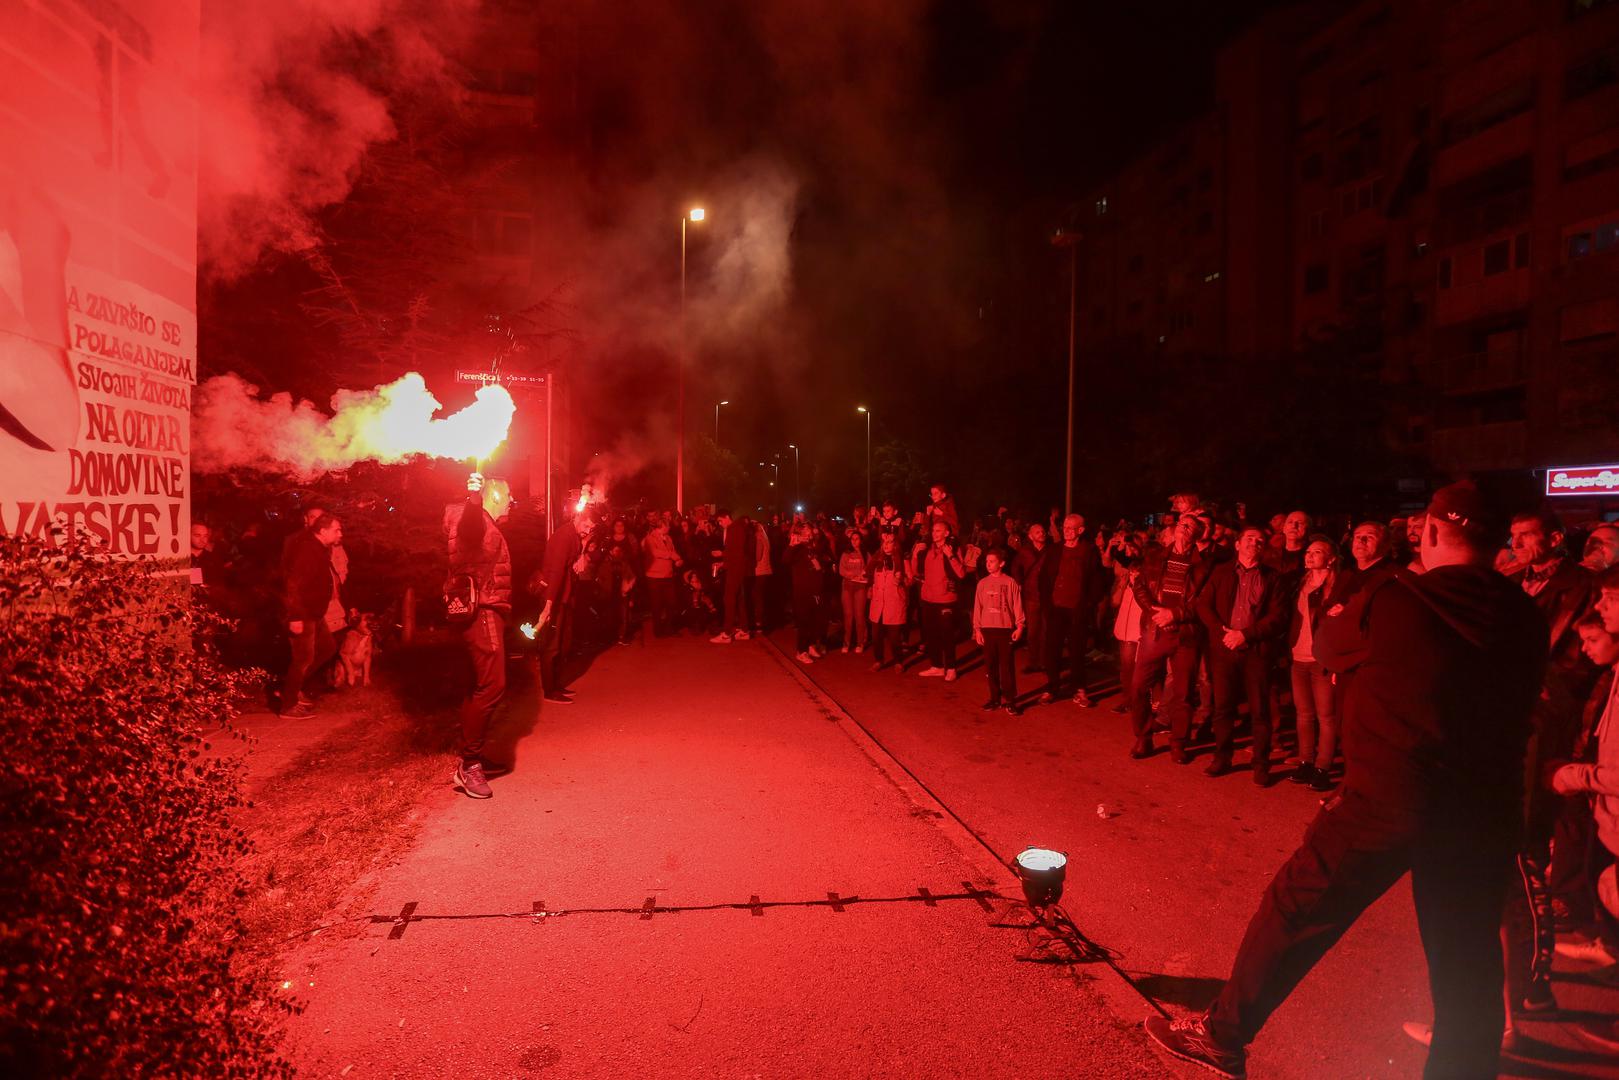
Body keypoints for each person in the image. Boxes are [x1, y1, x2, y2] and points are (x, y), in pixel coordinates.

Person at [1146, 482, 1547, 1080]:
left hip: (1388, 796)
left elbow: (1331, 646)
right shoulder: (1525, 617)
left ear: (1431, 532)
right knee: (1467, 964)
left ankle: (1222, 1034)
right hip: (1480, 811)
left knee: (1295, 907)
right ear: (1498, 543)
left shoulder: (1399, 598)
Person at [1502, 509, 1597, 1014]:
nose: (1515, 544)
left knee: (1526, 845)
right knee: (1511, 843)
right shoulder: (1513, 578)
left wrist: (1542, 691)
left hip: (1543, 716)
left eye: (1526, 536)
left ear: (1554, 539)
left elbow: (1581, 658)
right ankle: (1523, 978)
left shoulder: (1581, 584)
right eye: (1512, 536)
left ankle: (1534, 980)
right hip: (1508, 713)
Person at [1196, 526, 1287, 783]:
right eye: (1249, 539)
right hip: (1224, 649)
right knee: (1223, 707)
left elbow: (1278, 616)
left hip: (1255, 652)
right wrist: (1220, 630)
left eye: (1259, 541)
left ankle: (1261, 764)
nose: (1254, 543)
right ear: (1237, 545)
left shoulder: (1273, 578)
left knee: (1260, 711)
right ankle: (1222, 757)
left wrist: (1245, 635)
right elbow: (1204, 604)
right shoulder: (1221, 572)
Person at [443, 474, 514, 799]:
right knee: (493, 684)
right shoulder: (471, 518)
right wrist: (473, 497)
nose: (511, 502)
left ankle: (474, 757)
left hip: (483, 610)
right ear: (491, 497)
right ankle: (468, 765)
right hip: (483, 610)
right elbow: (469, 526)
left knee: (478, 685)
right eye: (507, 496)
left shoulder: (480, 519)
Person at [1127, 514, 1214, 761]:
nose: (1185, 528)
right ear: (1175, 529)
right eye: (1182, 524)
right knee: (1138, 687)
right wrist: (1156, 613)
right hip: (1155, 631)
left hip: (1186, 635)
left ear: (1198, 535)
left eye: (1192, 527)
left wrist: (1174, 614)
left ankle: (1178, 742)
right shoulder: (1155, 556)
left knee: (1183, 693)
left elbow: (1204, 601)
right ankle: (1143, 737)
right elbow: (1140, 587)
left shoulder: (1203, 566)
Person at [279, 512, 344, 718]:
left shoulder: (320, 548)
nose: (340, 533)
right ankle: (288, 706)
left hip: (315, 612)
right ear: (323, 531)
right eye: (336, 530)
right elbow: (293, 584)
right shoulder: (307, 550)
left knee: (327, 648)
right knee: (303, 658)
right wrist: (294, 616)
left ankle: (289, 688)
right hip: (303, 613)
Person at [1288, 537, 1339, 792]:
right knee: (1304, 715)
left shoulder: (1337, 586)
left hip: (1321, 659)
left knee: (1326, 716)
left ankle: (1323, 767)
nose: (1309, 556)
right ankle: (1306, 761)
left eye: (1317, 552)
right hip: (1298, 656)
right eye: (1308, 551)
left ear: (1330, 559)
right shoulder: (1301, 583)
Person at [1040, 513, 1104, 708]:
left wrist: (1088, 605)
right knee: (1053, 649)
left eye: (1070, 528)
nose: (1066, 531)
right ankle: (1052, 687)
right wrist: (1047, 604)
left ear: (1080, 530)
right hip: (1056, 608)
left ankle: (1079, 688)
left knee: (1077, 651)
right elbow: (1043, 577)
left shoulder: (1088, 551)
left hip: (1077, 610)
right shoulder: (1054, 550)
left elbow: (1097, 580)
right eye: (1064, 527)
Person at [536, 500, 590, 704]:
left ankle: (556, 684)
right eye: (586, 525)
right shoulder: (564, 537)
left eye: (590, 527)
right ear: (577, 519)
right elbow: (556, 571)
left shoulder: (574, 536)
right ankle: (550, 690)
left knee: (563, 644)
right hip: (555, 597)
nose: (587, 530)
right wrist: (549, 603)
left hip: (564, 596)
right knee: (552, 645)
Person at [972, 548, 1025, 714]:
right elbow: (977, 607)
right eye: (987, 562)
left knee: (1006, 667)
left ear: (1001, 563)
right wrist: (977, 629)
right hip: (988, 630)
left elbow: (1017, 605)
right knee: (991, 666)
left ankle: (1010, 700)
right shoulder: (982, 584)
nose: (988, 564)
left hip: (1004, 630)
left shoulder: (1010, 583)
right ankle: (994, 698)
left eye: (992, 561)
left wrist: (1020, 626)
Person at [913, 518, 966, 680]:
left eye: (938, 531)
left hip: (945, 599)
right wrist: (915, 554)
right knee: (931, 634)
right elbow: (916, 572)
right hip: (928, 598)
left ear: (946, 533)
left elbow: (961, 573)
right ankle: (936, 666)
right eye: (933, 530)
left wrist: (951, 556)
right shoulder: (928, 550)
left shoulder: (953, 549)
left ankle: (951, 668)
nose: (934, 534)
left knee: (946, 635)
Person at [784, 522, 828, 663]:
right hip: (802, 591)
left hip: (815, 591)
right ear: (799, 534)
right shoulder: (796, 548)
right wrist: (792, 545)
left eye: (810, 532)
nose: (809, 535)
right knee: (804, 622)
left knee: (814, 621)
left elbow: (818, 565)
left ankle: (809, 646)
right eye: (805, 533)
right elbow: (785, 560)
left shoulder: (812, 547)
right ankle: (801, 650)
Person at [867, 529, 911, 671]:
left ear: (896, 545)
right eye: (884, 542)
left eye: (890, 542)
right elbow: (869, 575)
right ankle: (878, 660)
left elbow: (910, 580)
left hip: (894, 604)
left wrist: (903, 579)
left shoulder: (902, 560)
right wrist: (869, 587)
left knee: (894, 638)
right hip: (878, 605)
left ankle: (898, 661)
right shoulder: (877, 559)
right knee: (876, 637)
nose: (886, 545)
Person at [1012, 522, 1053, 675]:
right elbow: (1016, 567)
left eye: (1042, 531)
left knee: (1046, 630)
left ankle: (1044, 662)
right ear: (1030, 536)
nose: (1041, 533)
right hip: (1031, 596)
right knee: (1033, 631)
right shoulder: (1024, 552)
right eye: (1037, 532)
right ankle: (1033, 662)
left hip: (1048, 596)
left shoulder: (1051, 550)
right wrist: (1019, 582)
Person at [709, 509, 754, 644]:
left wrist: (722, 558)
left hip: (735, 569)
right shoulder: (739, 528)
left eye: (720, 521)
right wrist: (724, 560)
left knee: (729, 598)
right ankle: (744, 630)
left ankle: (727, 633)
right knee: (739, 599)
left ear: (727, 517)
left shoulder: (734, 529)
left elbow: (736, 552)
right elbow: (736, 551)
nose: (720, 524)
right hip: (738, 568)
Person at [642, 517, 682, 636]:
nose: (669, 527)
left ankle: (669, 627)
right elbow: (655, 552)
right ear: (661, 526)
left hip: (668, 575)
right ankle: (658, 630)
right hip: (654, 576)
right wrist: (671, 556)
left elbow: (673, 551)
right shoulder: (649, 538)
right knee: (656, 604)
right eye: (667, 525)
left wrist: (679, 559)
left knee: (671, 602)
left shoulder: (669, 538)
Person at [838, 527, 870, 653]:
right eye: (852, 539)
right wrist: (852, 575)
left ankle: (860, 642)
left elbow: (870, 568)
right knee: (848, 615)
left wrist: (864, 574)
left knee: (859, 615)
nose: (854, 541)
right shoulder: (846, 553)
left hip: (860, 587)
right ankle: (846, 643)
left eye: (857, 539)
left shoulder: (866, 554)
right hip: (847, 587)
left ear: (861, 540)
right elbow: (842, 570)